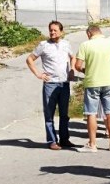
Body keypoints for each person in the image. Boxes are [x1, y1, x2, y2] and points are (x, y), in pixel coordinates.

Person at [26, 21, 75, 150]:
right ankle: (52, 140)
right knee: (49, 114)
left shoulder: (66, 44)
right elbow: (30, 59)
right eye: (51, 30)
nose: (52, 33)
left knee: (64, 114)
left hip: (64, 84)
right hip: (50, 84)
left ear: (61, 31)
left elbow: (73, 57)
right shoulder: (44, 45)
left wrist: (72, 70)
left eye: (55, 30)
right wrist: (38, 73)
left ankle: (65, 139)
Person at [74, 25, 110, 153]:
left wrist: (85, 70)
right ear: (100, 32)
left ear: (89, 34)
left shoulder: (85, 45)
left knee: (91, 113)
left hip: (92, 82)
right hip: (109, 81)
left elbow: (78, 65)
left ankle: (92, 144)